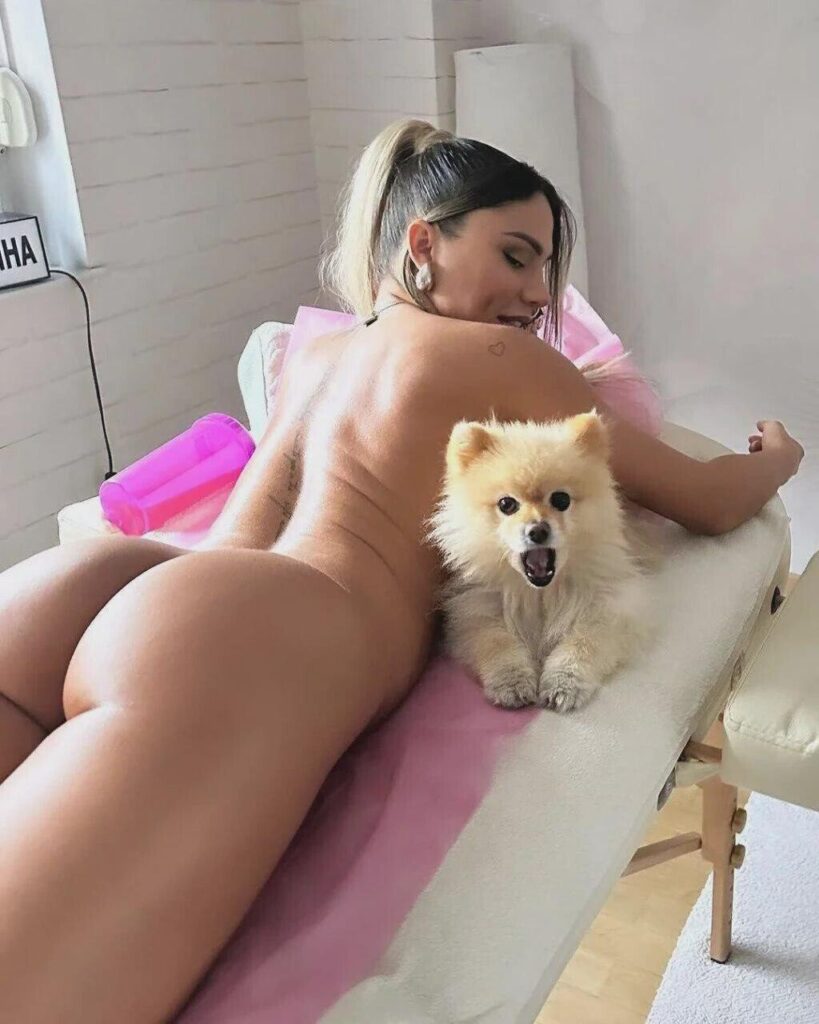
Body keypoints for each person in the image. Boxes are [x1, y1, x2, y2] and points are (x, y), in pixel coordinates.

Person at [0, 118, 804, 1022]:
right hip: (250, 637)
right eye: (514, 255)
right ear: (423, 243)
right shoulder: (507, 361)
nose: (535, 293)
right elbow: (707, 499)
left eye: (544, 269)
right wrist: (778, 455)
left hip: (104, 584)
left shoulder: (319, 354)